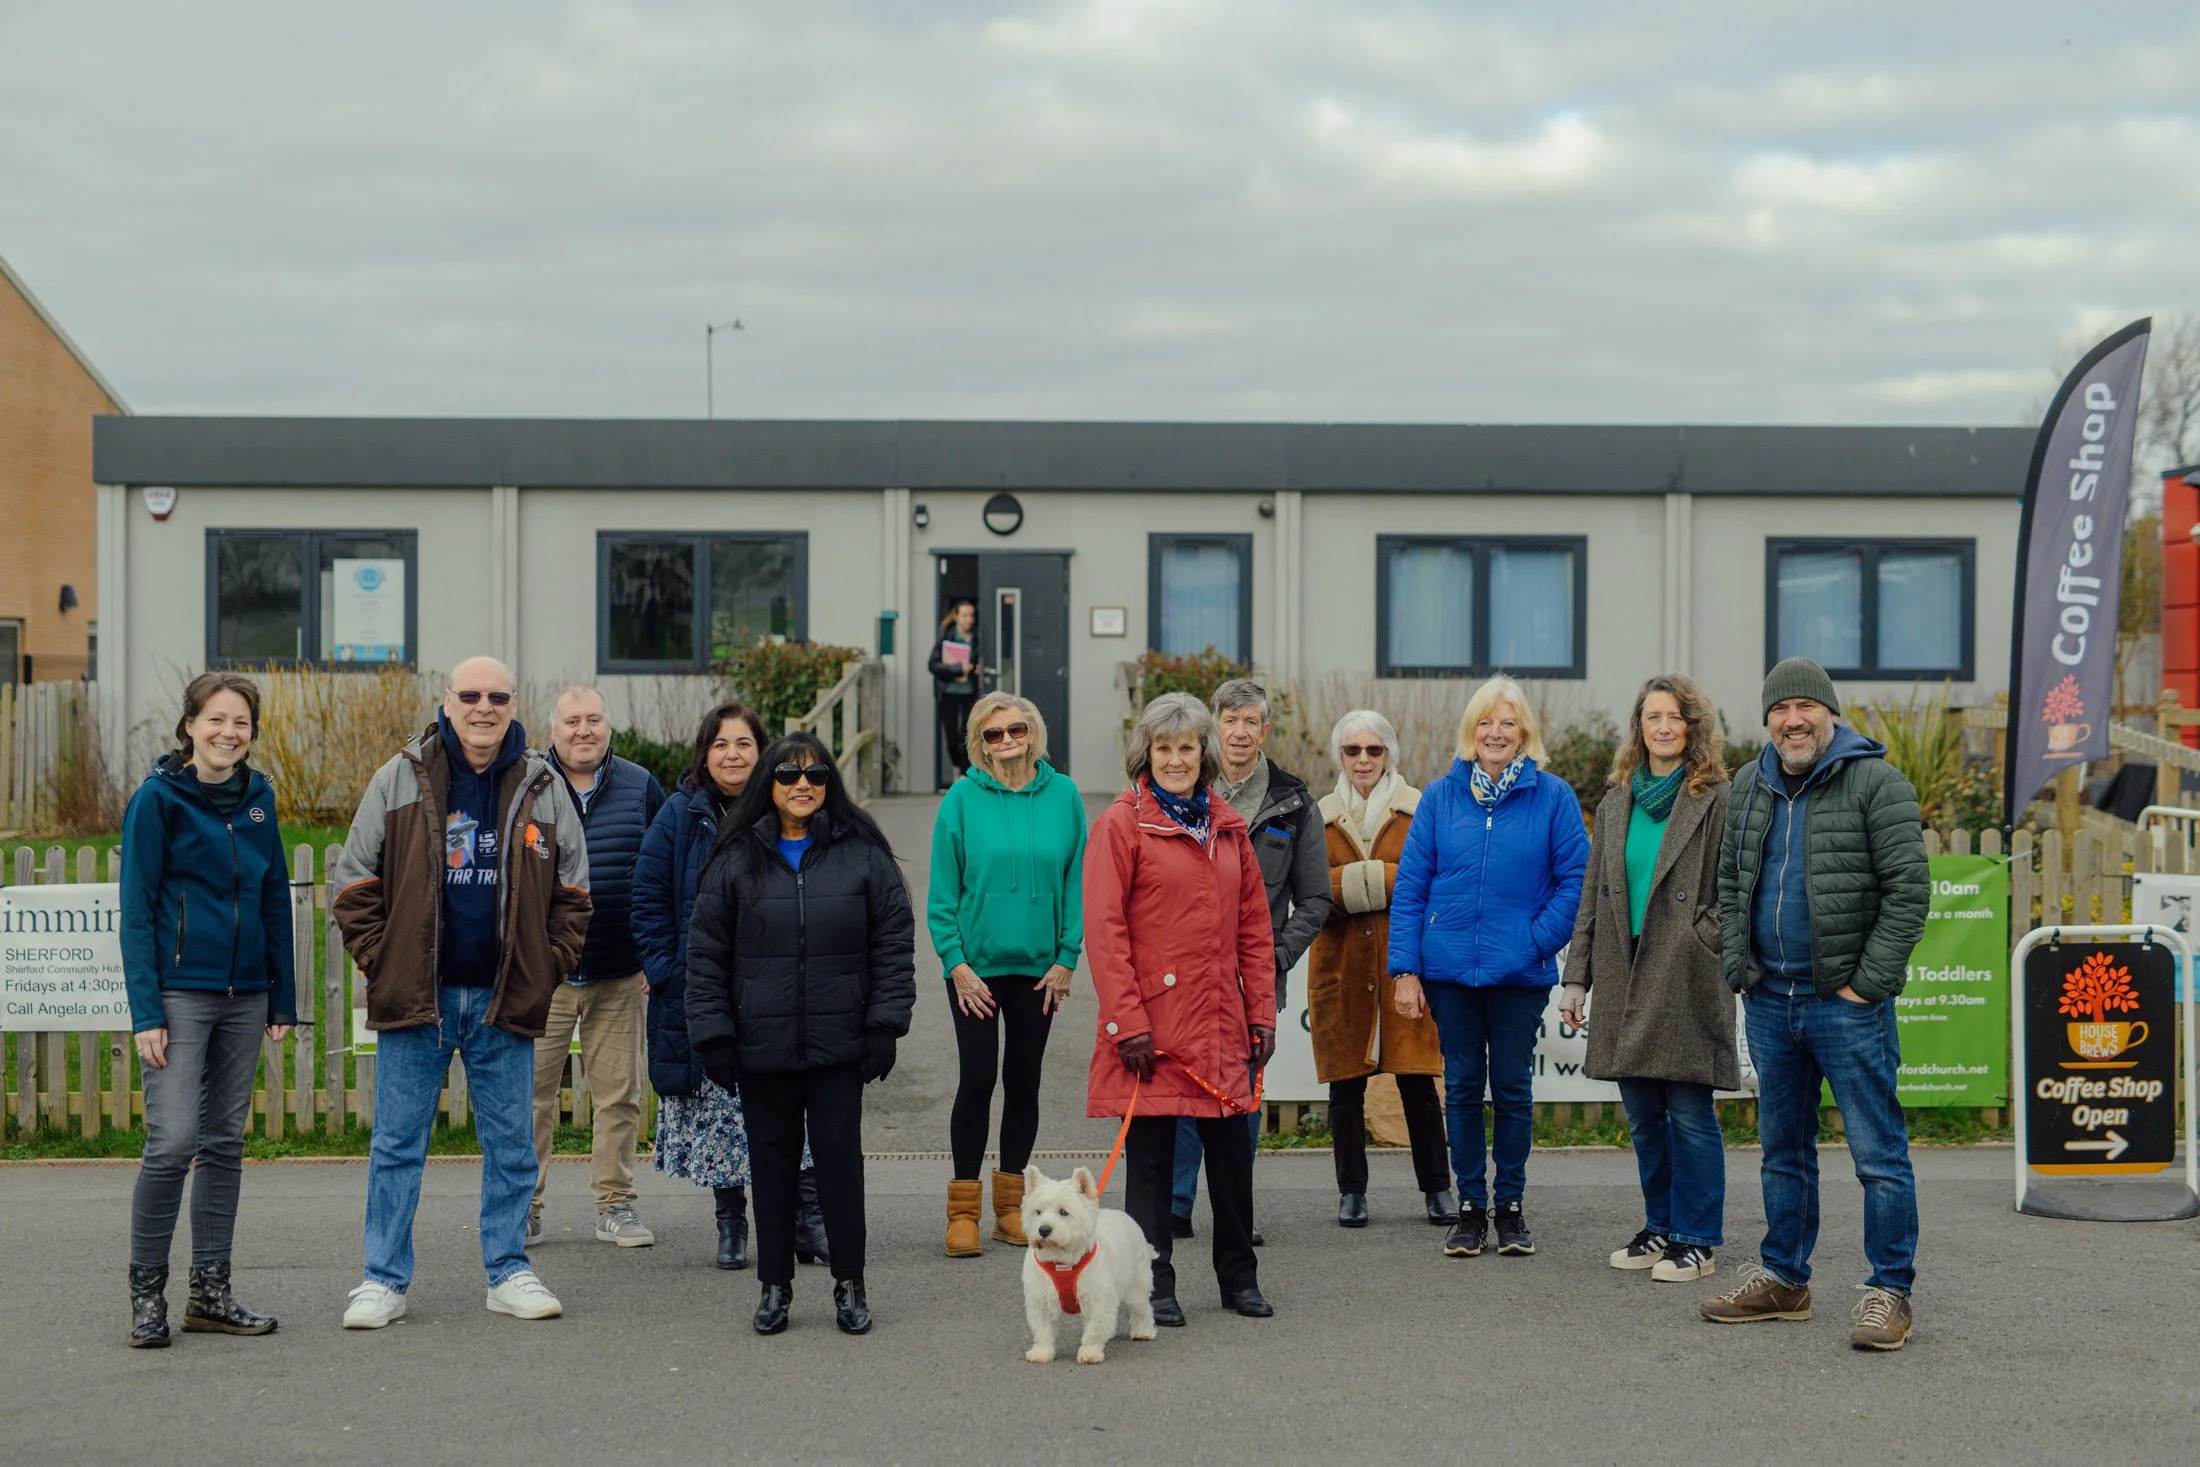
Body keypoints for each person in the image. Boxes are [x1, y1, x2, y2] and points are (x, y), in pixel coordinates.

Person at [331, 656, 592, 1329]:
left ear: (513, 703)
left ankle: (508, 1270)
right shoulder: (400, 775)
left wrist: (545, 966)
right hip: (418, 999)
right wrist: (385, 962)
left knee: (512, 1144)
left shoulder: (542, 783)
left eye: (497, 695)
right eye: (470, 694)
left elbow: (574, 893)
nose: (484, 706)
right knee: (397, 1143)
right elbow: (356, 884)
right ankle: (383, 1279)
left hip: (504, 999)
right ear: (446, 701)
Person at [1703, 657, 1927, 1350]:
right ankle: (1785, 1278)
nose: (1793, 720)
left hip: (1846, 1006)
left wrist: (1865, 984)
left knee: (1877, 1154)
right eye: (1780, 709)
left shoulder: (1877, 783)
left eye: (1806, 707)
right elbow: (1733, 883)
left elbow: (1908, 894)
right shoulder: (1748, 783)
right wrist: (1742, 968)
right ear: (1767, 719)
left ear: (1830, 713)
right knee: (1783, 1150)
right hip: (1772, 1001)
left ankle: (1889, 1288)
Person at [686, 733, 916, 1336]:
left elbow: (893, 944)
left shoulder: (862, 855)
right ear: (770, 783)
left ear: (829, 784)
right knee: (772, 1165)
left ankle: (850, 1282)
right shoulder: (736, 859)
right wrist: (714, 1035)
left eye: (815, 776)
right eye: (788, 775)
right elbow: (707, 953)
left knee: (841, 1164)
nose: (802, 786)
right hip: (762, 1048)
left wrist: (885, 1026)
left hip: (841, 1045)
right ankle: (774, 1287)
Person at [118, 671, 297, 1347]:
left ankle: (210, 1293)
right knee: (172, 1142)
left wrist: (282, 994)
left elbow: (274, 896)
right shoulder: (157, 801)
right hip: (179, 994)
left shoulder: (259, 800)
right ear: (189, 725)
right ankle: (146, 1294)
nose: (229, 732)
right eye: (216, 719)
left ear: (252, 733)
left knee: (225, 1142)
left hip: (246, 995)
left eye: (242, 722)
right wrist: (145, 1012)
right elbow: (136, 911)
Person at [1087, 692, 1277, 1326]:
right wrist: (1127, 1023)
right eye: (1164, 748)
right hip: (1155, 1027)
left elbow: (1254, 927)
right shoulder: (1121, 824)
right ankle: (1152, 1283)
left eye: (1187, 747)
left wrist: (1263, 1014)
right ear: (1148, 753)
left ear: (1205, 754)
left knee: (1231, 1162)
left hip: (1222, 1022)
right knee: (1150, 1164)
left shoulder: (1225, 825)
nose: (1175, 759)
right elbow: (1105, 931)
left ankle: (1237, 1277)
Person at [1389, 674, 1588, 1261]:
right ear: (1470, 733)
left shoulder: (1553, 797)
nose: (1496, 732)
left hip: (1518, 976)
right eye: (1485, 722)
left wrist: (1534, 941)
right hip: (1448, 974)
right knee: (1462, 1088)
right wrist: (1406, 969)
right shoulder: (1439, 797)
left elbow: (1574, 882)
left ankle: (1512, 1209)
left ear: (1524, 733)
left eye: (1507, 723)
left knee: (1512, 1090)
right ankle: (1471, 1210)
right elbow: (1412, 888)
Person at [1560, 674, 1734, 1284]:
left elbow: (1736, 887)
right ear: (1639, 727)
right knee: (1642, 1116)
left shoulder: (1717, 797)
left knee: (1688, 1112)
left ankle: (1697, 1238)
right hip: (1623, 969)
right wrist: (1576, 978)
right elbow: (1592, 895)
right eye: (1651, 717)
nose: (1662, 727)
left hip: (1685, 971)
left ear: (1694, 728)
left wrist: (1702, 937)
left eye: (1674, 717)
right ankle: (1659, 1225)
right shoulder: (1616, 801)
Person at [1169, 678, 1331, 1243]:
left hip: (1251, 979)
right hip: (1185, 975)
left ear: (1265, 730)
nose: (1238, 732)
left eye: (1250, 722)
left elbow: (1315, 899)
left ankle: (1235, 1212)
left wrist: (1276, 956)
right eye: (1229, 720)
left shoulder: (1292, 801)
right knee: (1185, 1086)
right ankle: (1175, 1204)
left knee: (1241, 1093)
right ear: (1214, 726)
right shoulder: (1184, 788)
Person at [928, 692, 1088, 1256]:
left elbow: (1076, 883)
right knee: (977, 1079)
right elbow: (942, 894)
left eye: (1015, 730)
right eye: (992, 735)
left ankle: (1009, 1209)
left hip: (1040, 971)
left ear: (1033, 732)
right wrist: (956, 964)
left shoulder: (1065, 795)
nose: (1006, 742)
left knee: (1024, 1081)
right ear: (979, 743)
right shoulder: (962, 800)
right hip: (975, 970)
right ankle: (963, 1211)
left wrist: (1068, 958)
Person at [531, 685, 666, 1249]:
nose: (582, 731)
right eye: (571, 722)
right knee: (530, 1097)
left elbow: (665, 871)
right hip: (543, 976)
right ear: (553, 728)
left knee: (619, 1096)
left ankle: (615, 1205)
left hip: (620, 971)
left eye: (593, 720)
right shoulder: (526, 784)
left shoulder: (641, 787)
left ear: (609, 727)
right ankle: (523, 1207)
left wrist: (656, 955)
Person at [633, 702, 766, 1271]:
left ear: (762, 752)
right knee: (721, 1110)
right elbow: (647, 898)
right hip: (705, 989)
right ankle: (730, 1221)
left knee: (794, 1108)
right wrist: (668, 970)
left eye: (743, 743)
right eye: (721, 744)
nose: (732, 754)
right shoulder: (678, 815)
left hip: (774, 990)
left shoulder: (786, 803)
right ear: (704, 755)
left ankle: (807, 1220)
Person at [1309, 709, 1453, 1229]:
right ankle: (1352, 1192)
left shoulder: (1421, 812)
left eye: (1374, 750)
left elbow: (1435, 882)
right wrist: (1391, 880)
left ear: (1389, 753)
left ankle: (1438, 1189)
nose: (1363, 760)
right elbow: (1311, 893)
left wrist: (1351, 882)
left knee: (1418, 1083)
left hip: (1407, 965)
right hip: (1341, 967)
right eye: (1353, 751)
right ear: (1339, 756)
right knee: (1345, 1089)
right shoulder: (1317, 816)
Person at [928, 598, 981, 787]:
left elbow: (983, 660)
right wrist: (959, 668)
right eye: (965, 615)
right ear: (956, 616)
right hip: (948, 693)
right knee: (951, 735)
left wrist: (977, 667)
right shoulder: (946, 636)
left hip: (969, 693)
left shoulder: (978, 637)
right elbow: (933, 665)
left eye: (972, 615)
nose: (969, 619)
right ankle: (959, 765)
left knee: (966, 734)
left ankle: (967, 773)